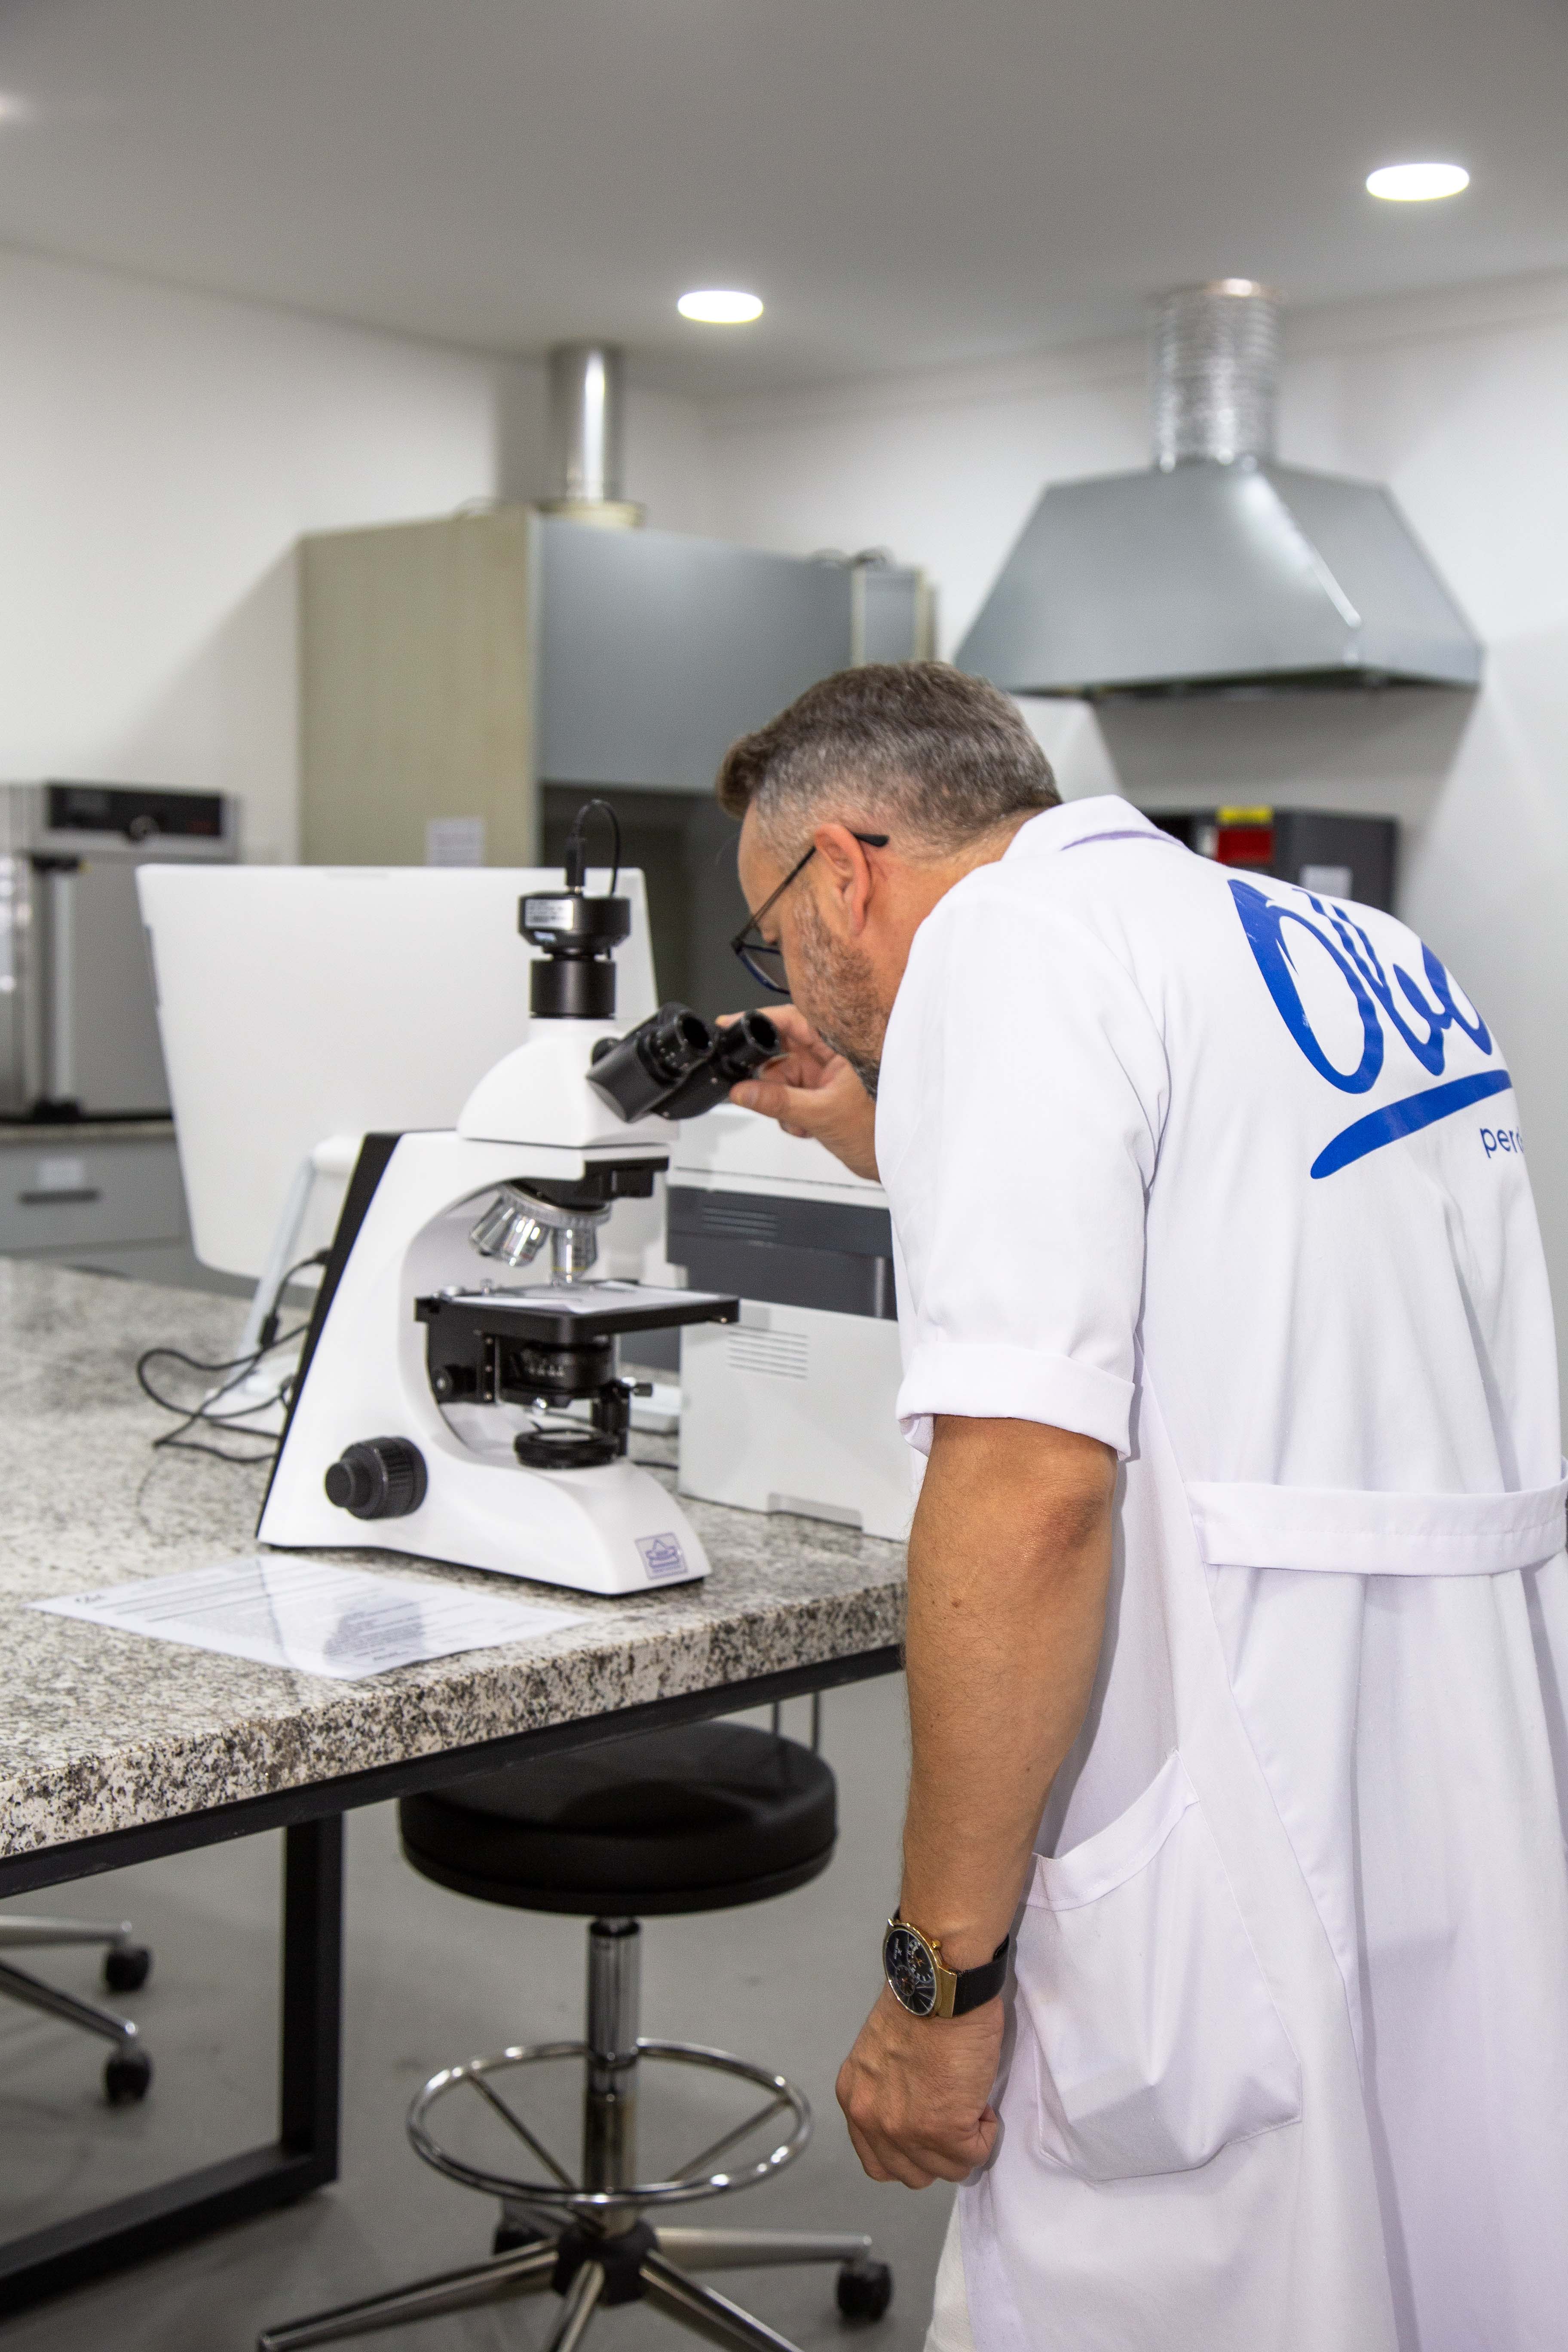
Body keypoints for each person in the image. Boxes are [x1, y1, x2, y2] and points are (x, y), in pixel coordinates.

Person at [714, 661, 1568, 2352]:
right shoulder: (1353, 951)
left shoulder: (1005, 951)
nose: (790, 973)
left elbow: (1028, 1495)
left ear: (844, 871)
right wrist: (892, 1129)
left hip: (1235, 1828)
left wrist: (939, 1984)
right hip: (1457, 1777)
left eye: (771, 931)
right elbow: (1239, 1248)